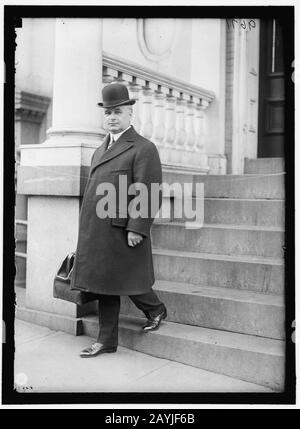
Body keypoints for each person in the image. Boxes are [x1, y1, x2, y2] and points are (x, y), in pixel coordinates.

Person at [70, 82, 167, 358]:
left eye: (118, 112)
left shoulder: (144, 148)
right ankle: (106, 340)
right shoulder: (100, 149)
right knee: (106, 284)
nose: (112, 117)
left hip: (123, 229)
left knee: (129, 281)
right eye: (108, 113)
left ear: (130, 115)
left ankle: (156, 309)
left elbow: (148, 192)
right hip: (98, 230)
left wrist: (137, 227)